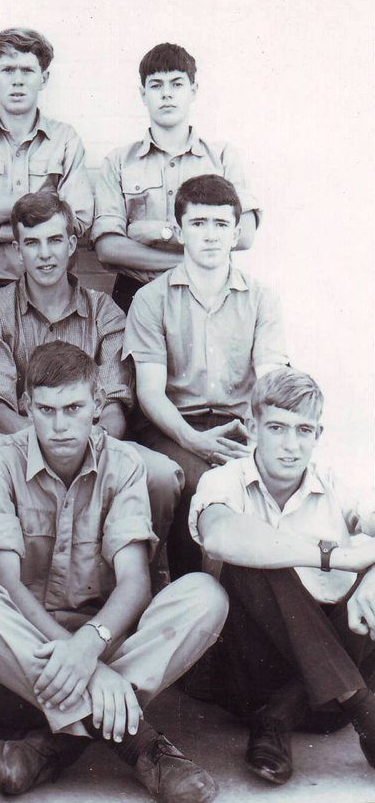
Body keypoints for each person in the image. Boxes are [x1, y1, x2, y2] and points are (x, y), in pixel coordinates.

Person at [0, 341, 228, 803]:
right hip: (19, 666)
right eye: (46, 409)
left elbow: (135, 580)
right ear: (26, 405)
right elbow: (3, 580)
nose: (59, 426)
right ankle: (141, 744)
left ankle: (53, 745)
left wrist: (88, 648)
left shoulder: (124, 462)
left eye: (73, 408)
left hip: (105, 647)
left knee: (205, 595)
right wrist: (85, 667)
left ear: (97, 405)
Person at [0, 191, 181, 584]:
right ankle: (14, 586)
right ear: (17, 250)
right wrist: (50, 448)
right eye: (32, 244)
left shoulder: (105, 310)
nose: (45, 254)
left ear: (72, 245)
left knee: (162, 474)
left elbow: (115, 403)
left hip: (96, 441)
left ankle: (137, 585)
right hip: (20, 443)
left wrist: (83, 450)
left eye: (55, 241)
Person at [190, 367, 375, 785]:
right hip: (251, 673)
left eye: (304, 430)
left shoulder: (335, 483)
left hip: (327, 678)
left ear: (318, 434)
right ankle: (363, 707)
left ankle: (277, 718)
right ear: (253, 427)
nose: (291, 446)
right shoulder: (223, 480)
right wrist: (336, 558)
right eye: (277, 428)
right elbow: (221, 536)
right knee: (250, 557)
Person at [124, 174, 287, 578]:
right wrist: (193, 439)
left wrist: (260, 433)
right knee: (206, 481)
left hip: (238, 423)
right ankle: (184, 586)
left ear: (235, 234)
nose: (210, 236)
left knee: (268, 476)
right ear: (180, 232)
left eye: (220, 225)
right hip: (173, 426)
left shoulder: (262, 297)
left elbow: (268, 379)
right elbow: (149, 392)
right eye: (198, 224)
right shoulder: (150, 299)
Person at [93, 43, 260, 313]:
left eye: (177, 84)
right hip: (136, 296)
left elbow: (245, 235)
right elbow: (108, 248)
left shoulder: (222, 157)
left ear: (193, 91)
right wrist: (197, 256)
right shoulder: (118, 162)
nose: (167, 94)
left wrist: (161, 232)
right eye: (156, 85)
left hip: (209, 297)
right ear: (142, 94)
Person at [0, 28, 93, 301]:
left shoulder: (65, 139)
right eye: (8, 70)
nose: (17, 81)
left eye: (27, 71)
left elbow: (79, 218)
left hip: (52, 291)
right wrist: (34, 201)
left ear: (44, 78)